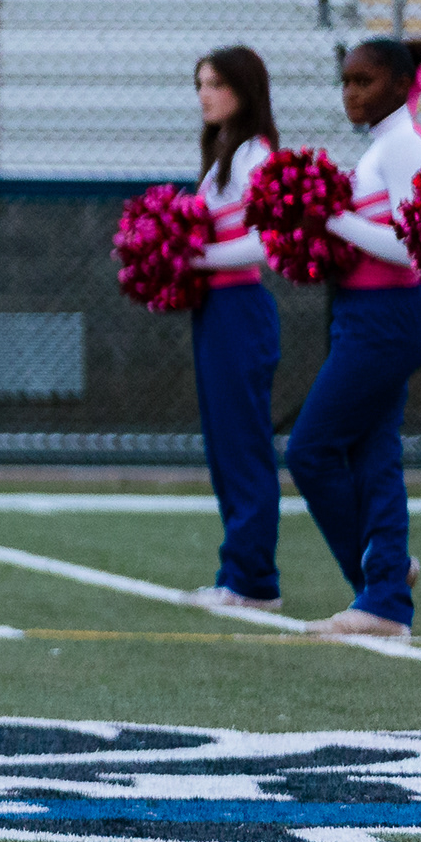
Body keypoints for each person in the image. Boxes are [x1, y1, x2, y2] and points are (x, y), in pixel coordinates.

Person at [283, 37, 421, 638]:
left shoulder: (404, 146)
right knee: (374, 455)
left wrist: (331, 218)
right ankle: (385, 599)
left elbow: (412, 245)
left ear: (399, 85)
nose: (350, 93)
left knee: (310, 450)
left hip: (387, 316)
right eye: (345, 81)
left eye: (363, 81)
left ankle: (384, 578)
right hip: (362, 313)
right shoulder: (381, 146)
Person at [181, 47, 285, 615]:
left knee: (242, 445)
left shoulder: (255, 154)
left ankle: (253, 580)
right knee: (224, 445)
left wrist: (195, 258)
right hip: (216, 309)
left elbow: (267, 244)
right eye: (200, 83)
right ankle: (240, 572)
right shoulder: (225, 153)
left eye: (216, 83)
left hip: (239, 307)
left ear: (244, 90)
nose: (205, 94)